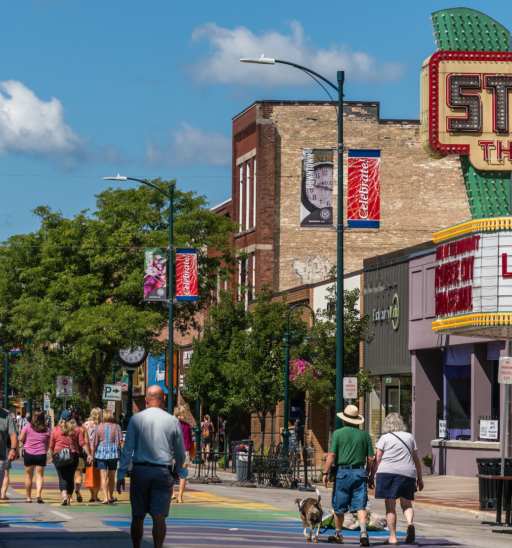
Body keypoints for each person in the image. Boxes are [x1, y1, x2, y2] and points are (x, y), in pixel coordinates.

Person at [117, 385, 186, 548]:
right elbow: (180, 452)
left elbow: (127, 449)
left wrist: (121, 474)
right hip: (162, 471)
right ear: (163, 399)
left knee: (137, 515)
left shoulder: (136, 419)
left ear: (146, 400)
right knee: (159, 515)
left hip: (140, 470)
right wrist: (179, 469)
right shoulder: (173, 421)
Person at [369, 413, 424, 546]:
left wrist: (371, 477)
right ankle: (410, 523)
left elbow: (377, 460)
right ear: (401, 423)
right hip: (407, 472)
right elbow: (416, 459)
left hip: (387, 473)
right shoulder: (410, 437)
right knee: (406, 504)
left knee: (390, 506)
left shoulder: (384, 438)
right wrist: (420, 478)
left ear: (386, 424)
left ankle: (393, 538)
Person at [323, 405, 374, 547]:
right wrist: (369, 475)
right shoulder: (365, 435)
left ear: (344, 420)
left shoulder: (337, 434)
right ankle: (363, 533)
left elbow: (332, 455)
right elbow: (370, 458)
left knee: (339, 506)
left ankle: (338, 534)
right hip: (359, 473)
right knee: (360, 505)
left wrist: (325, 473)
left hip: (342, 473)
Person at [49, 410, 93, 506]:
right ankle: (69, 498)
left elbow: (51, 445)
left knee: (62, 477)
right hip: (73, 456)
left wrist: (52, 456)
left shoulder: (56, 429)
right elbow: (82, 443)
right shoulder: (76, 429)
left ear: (61, 418)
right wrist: (89, 454)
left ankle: (64, 496)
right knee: (70, 477)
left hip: (59, 455)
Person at [92, 409, 123, 504]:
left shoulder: (98, 427)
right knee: (112, 476)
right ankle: (111, 496)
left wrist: (92, 455)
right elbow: (120, 441)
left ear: (103, 417)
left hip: (101, 453)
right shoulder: (117, 427)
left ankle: (105, 498)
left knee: (103, 476)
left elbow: (94, 443)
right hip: (113, 453)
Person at [20, 410, 51, 503]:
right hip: (41, 454)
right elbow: (48, 444)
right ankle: (38, 495)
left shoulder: (27, 426)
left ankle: (28, 498)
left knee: (29, 476)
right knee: (39, 476)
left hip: (29, 453)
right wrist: (44, 451)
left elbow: (21, 438)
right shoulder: (47, 429)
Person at [173, 406, 192, 503]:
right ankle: (180, 497)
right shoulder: (188, 426)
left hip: (173, 451)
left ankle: (172, 493)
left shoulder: (172, 425)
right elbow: (189, 440)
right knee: (183, 475)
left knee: (171, 473)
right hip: (185, 452)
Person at [84, 407, 102, 502]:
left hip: (88, 450)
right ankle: (96, 495)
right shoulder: (101, 426)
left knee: (90, 471)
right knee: (98, 473)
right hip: (99, 450)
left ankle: (92, 495)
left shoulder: (86, 424)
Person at [72, 411, 89, 503]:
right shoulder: (82, 429)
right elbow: (86, 442)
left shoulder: (66, 428)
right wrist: (89, 454)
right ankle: (77, 489)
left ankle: (69, 496)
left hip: (68, 454)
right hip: (79, 455)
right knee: (78, 475)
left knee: (70, 476)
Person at [0, 408, 18, 496]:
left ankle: (2, 493)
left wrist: (13, 449)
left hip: (2, 454)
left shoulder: (7, 416)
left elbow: (13, 434)